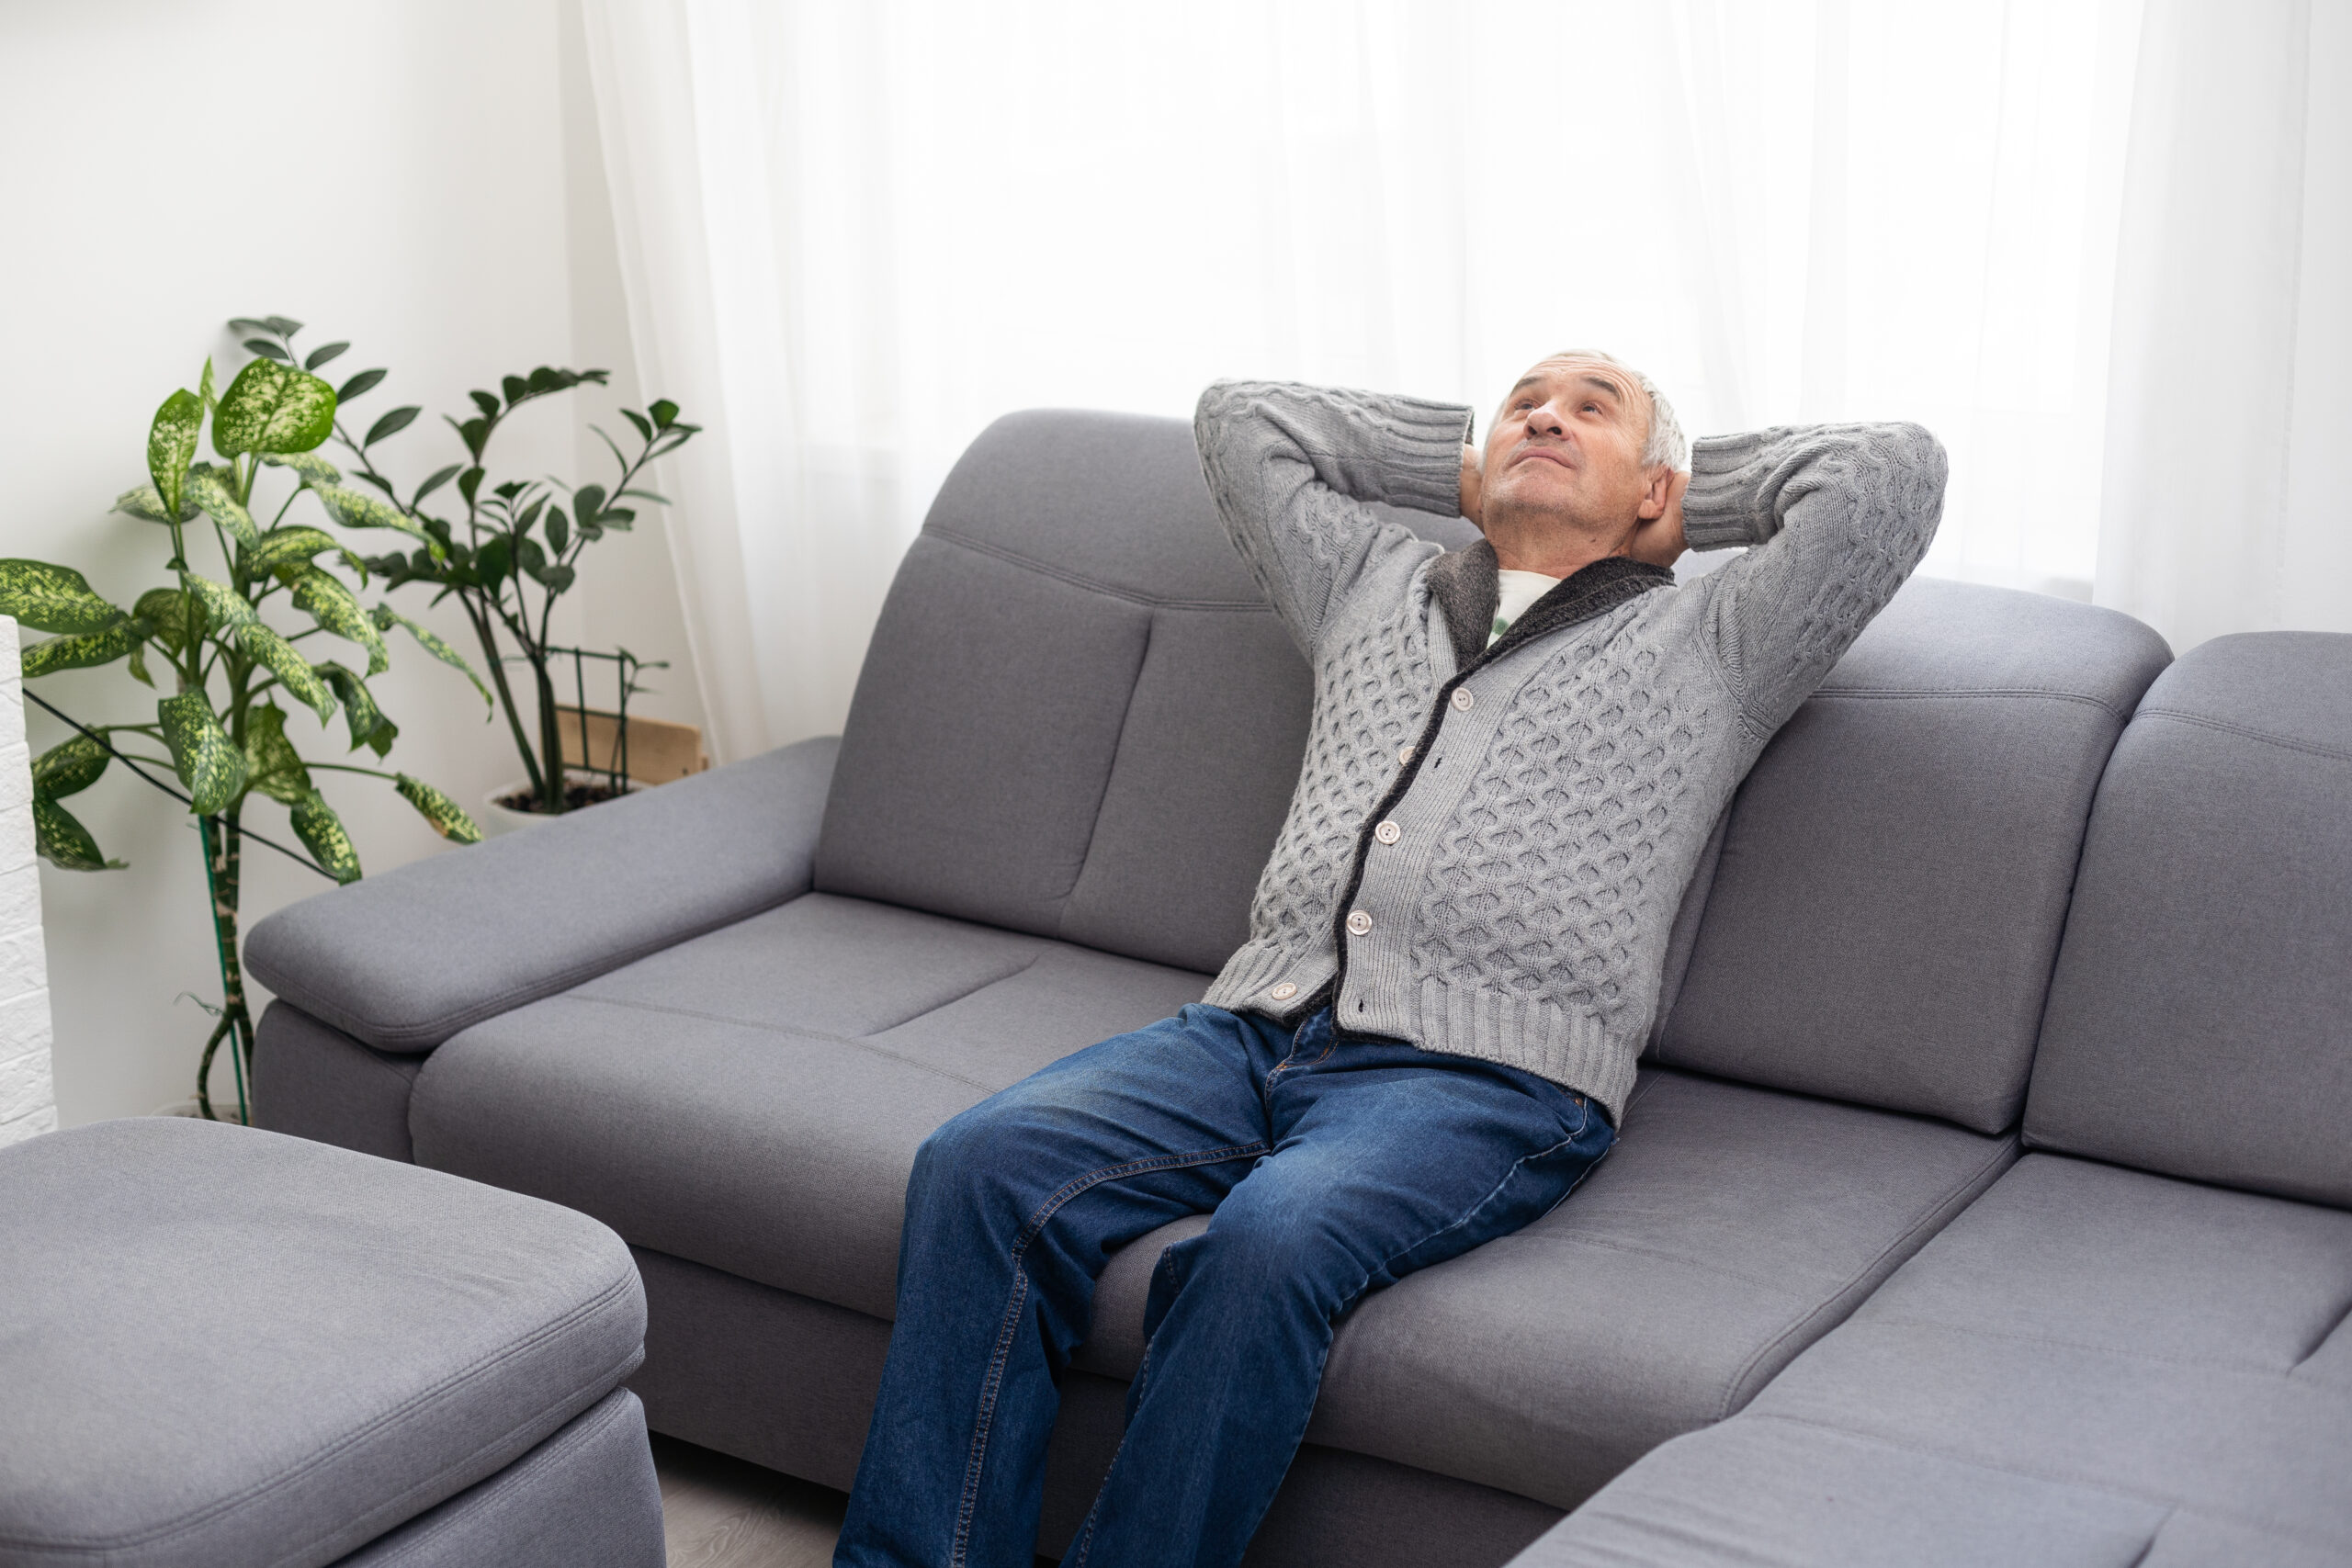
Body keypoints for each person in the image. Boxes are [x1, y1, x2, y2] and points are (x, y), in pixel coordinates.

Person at [833, 354, 1947, 1568]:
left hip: (1479, 1080)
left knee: (1268, 1242)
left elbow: (1894, 475)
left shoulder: (1718, 636)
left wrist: (1682, 500)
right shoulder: (1371, 584)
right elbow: (1240, 420)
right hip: (1250, 1027)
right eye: (1526, 400)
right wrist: (1467, 457)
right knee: (978, 1166)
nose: (1547, 416)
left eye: (1592, 409)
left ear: (1654, 486)